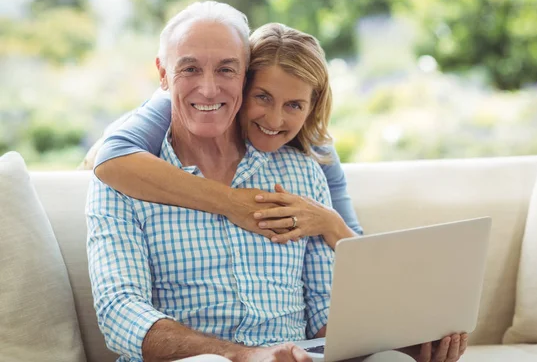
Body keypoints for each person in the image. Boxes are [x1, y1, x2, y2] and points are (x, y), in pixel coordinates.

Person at [87, 0, 468, 362]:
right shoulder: (123, 177)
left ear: (243, 75)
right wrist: (244, 356)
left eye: (225, 69)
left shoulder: (303, 172)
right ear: (163, 74)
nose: (208, 88)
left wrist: (403, 341)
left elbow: (326, 312)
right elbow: (120, 313)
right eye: (189, 68)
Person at [90, 24, 362, 250]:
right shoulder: (174, 106)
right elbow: (112, 157)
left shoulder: (315, 149)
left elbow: (359, 250)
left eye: (294, 105)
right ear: (241, 86)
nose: (275, 119)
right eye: (262, 97)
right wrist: (232, 203)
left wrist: (329, 222)